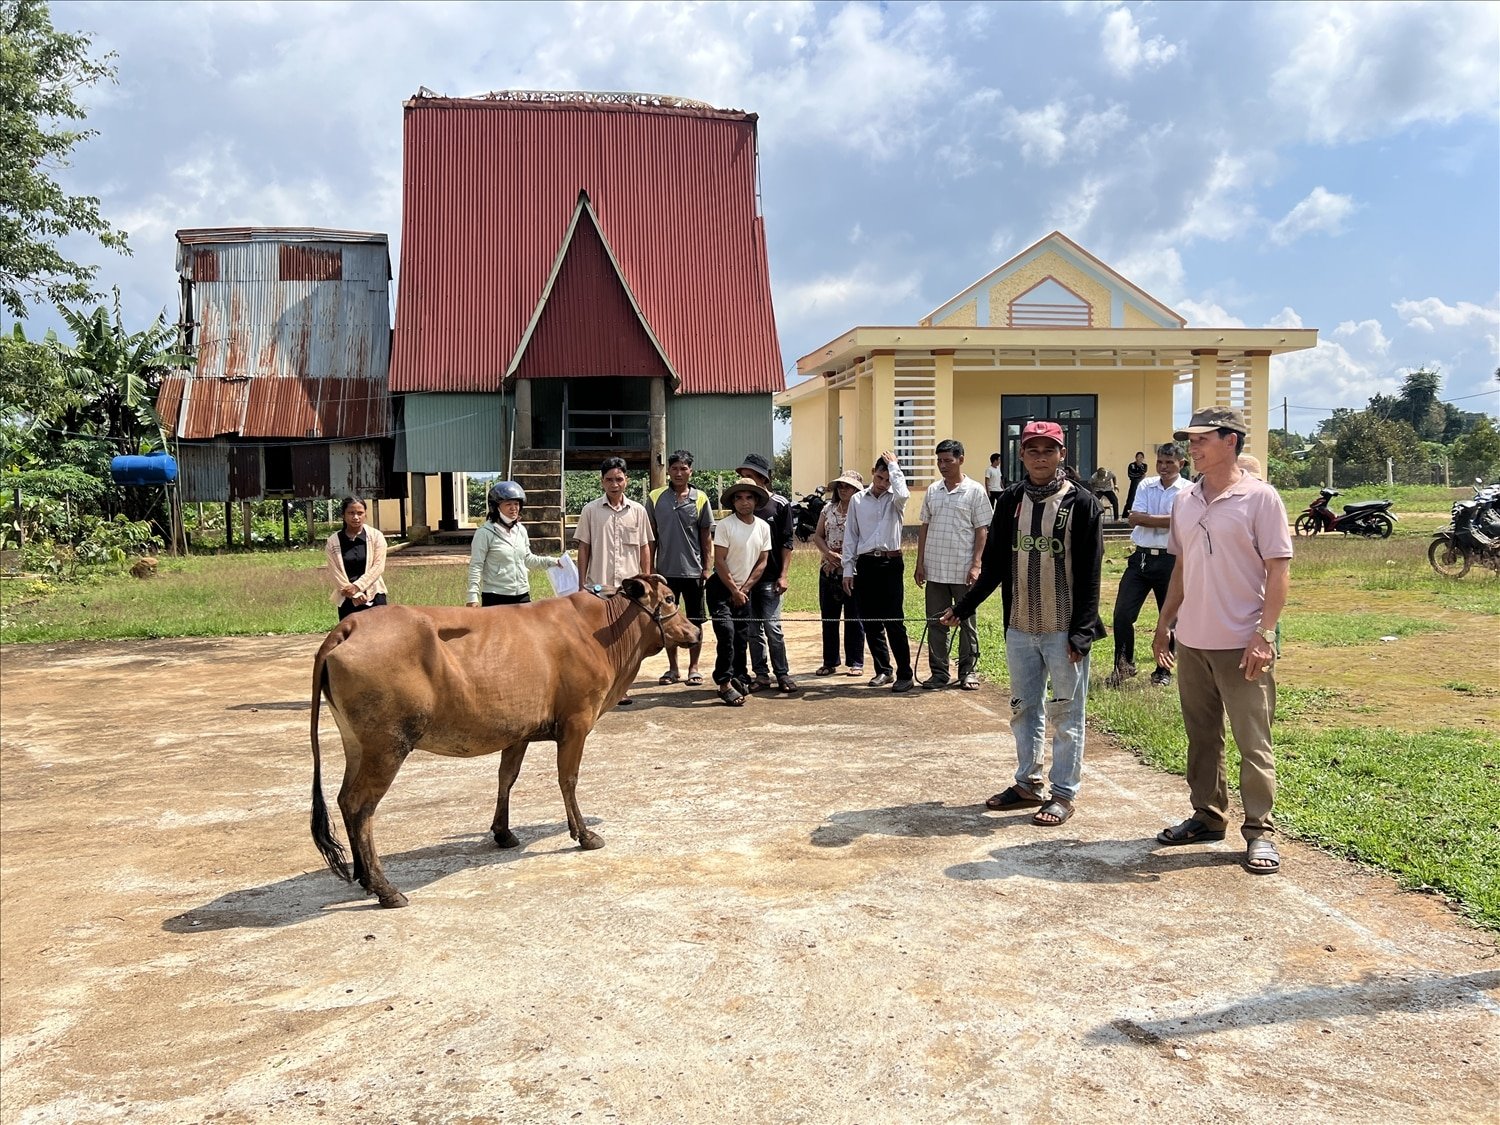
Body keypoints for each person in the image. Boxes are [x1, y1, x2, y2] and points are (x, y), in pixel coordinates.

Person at [943, 421, 1104, 827]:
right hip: (1020, 627)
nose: (1040, 457)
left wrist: (1082, 633)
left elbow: (1090, 574)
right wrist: (964, 608)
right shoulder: (1011, 500)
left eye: (1048, 450)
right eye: (1032, 450)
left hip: (1063, 629)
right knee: (1023, 708)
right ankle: (1028, 784)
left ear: (1062, 454)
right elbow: (995, 564)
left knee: (1066, 713)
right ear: (1021, 454)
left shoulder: (1081, 504)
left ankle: (1064, 793)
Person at [1152, 406, 1292, 876]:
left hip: (1242, 642)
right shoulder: (1185, 500)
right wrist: (1165, 622)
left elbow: (1278, 570)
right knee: (1202, 737)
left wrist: (1264, 634)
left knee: (1253, 741)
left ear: (1230, 440)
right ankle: (1208, 815)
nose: (1191, 447)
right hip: (1192, 640)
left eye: (1201, 439)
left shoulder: (1261, 498)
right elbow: (1182, 567)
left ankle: (1260, 832)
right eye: (1189, 440)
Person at [1105, 444, 1192, 688]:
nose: (1164, 467)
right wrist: (1169, 520)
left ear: (1181, 464)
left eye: (1170, 463)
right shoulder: (1146, 485)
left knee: (1170, 617)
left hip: (1171, 560)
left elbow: (1184, 522)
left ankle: (1163, 669)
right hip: (1141, 559)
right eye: (1161, 462)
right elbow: (1134, 517)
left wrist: (1149, 519)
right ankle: (1124, 665)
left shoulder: (1188, 491)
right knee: (1122, 614)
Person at [575, 456, 655, 705]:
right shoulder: (591, 510)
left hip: (629, 588)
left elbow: (644, 547)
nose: (614, 484)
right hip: (599, 586)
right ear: (602, 482)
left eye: (619, 479)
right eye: (609, 479)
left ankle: (622, 688)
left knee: (628, 639)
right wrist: (581, 584)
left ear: (626, 481)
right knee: (600, 637)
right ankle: (601, 686)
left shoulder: (638, 511)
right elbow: (584, 548)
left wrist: (647, 579)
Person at [915, 439, 991, 690]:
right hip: (935, 569)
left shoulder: (975, 490)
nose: (943, 465)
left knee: (966, 622)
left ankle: (968, 671)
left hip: (963, 570)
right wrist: (920, 563)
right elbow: (925, 527)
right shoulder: (933, 491)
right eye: (939, 461)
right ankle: (939, 673)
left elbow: (982, 530)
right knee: (936, 623)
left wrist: (976, 564)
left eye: (948, 460)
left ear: (961, 459)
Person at [842, 449, 914, 693]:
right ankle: (883, 669)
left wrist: (895, 468)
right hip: (865, 564)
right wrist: (847, 569)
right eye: (880, 478)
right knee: (871, 622)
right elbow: (851, 536)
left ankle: (905, 673)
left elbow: (904, 493)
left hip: (890, 564)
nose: (883, 484)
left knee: (894, 620)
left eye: (888, 479)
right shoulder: (857, 500)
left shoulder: (896, 499)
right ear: (873, 474)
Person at [648, 450, 714, 686]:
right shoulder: (655, 498)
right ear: (668, 471)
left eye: (683, 468)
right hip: (665, 574)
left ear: (690, 471)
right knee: (668, 621)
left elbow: (706, 536)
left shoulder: (700, 498)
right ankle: (673, 668)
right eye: (674, 468)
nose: (678, 473)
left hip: (694, 572)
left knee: (695, 620)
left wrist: (707, 568)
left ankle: (694, 667)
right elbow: (652, 537)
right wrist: (650, 569)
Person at [706, 478, 772, 706]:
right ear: (733, 502)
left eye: (749, 497)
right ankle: (723, 683)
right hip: (721, 588)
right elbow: (720, 561)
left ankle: (739, 676)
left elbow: (762, 562)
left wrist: (744, 589)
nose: (744, 502)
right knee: (726, 633)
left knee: (741, 637)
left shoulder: (763, 527)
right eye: (739, 498)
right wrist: (734, 589)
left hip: (745, 590)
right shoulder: (725, 526)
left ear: (756, 500)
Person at [736, 452, 797, 694]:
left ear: (763, 478)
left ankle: (782, 673)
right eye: (742, 477)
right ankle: (761, 675)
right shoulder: (739, 504)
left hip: (770, 578)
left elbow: (787, 541)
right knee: (753, 630)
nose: (744, 481)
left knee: (773, 628)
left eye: (749, 476)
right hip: (746, 580)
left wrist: (783, 574)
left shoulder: (779, 504)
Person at [466, 481, 560, 607]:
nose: (514, 508)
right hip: (495, 596)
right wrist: (472, 596)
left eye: (516, 504)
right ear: (496, 507)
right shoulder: (484, 533)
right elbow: (476, 565)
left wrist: (553, 562)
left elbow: (527, 558)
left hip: (522, 594)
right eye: (508, 504)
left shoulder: (520, 530)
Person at [809, 469, 866, 677]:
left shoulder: (862, 510)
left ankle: (856, 661)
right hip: (829, 570)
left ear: (857, 489)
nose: (844, 489)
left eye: (849, 486)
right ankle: (829, 661)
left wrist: (848, 557)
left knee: (854, 617)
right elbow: (818, 536)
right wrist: (828, 553)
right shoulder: (828, 509)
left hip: (853, 570)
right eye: (841, 486)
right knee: (829, 618)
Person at [326, 497, 388, 620]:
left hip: (374, 595)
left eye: (360, 513)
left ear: (365, 514)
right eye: (351, 513)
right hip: (347, 598)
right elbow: (334, 572)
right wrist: (353, 593)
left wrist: (358, 587)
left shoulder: (376, 537)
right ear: (343, 515)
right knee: (350, 637)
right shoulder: (333, 541)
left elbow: (378, 566)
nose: (355, 517)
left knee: (379, 636)